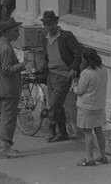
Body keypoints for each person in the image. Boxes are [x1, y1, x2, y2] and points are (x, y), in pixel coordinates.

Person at [0, 17, 27, 157]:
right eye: (15, 31)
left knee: (0, 115)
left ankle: (1, 143)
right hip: (7, 88)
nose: (18, 34)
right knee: (8, 117)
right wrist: (23, 65)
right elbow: (7, 69)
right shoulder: (7, 48)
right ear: (7, 32)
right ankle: (4, 146)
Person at [40, 10, 82, 143]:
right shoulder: (45, 37)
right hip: (51, 75)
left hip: (64, 75)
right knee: (57, 105)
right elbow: (45, 55)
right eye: (47, 25)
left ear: (57, 23)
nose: (50, 27)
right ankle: (63, 133)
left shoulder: (66, 36)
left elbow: (78, 52)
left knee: (53, 105)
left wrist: (74, 68)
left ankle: (51, 130)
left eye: (52, 24)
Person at [73, 47, 108, 166]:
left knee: (88, 133)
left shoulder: (86, 73)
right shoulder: (103, 69)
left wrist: (74, 86)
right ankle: (103, 156)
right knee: (99, 130)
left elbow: (80, 91)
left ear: (85, 59)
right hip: (99, 104)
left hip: (86, 107)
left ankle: (89, 158)